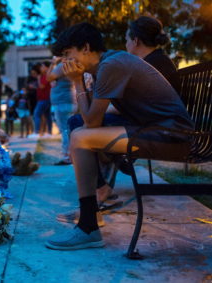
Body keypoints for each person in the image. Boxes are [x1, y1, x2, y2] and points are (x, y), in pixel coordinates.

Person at [45, 22, 193, 250]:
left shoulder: (111, 65)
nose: (65, 61)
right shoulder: (104, 66)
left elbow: (92, 123)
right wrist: (79, 80)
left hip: (173, 135)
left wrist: (76, 81)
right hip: (153, 127)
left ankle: (88, 225)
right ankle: (93, 210)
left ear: (85, 48)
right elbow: (86, 119)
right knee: (77, 129)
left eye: (68, 54)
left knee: (80, 137)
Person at [126, 16, 180, 93]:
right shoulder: (159, 59)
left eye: (127, 40)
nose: (126, 44)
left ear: (135, 41)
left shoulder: (151, 66)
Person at [46, 56, 74, 165]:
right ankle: (70, 155)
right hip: (68, 101)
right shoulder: (71, 65)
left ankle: (66, 156)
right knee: (68, 130)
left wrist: (53, 63)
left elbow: (48, 77)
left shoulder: (63, 66)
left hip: (63, 102)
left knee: (65, 130)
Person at [28, 61, 52, 138]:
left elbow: (42, 86)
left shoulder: (44, 76)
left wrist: (38, 79)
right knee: (47, 115)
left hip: (44, 99)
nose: (41, 68)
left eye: (42, 66)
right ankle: (49, 132)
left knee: (36, 114)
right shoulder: (43, 76)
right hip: (44, 98)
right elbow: (40, 87)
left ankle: (37, 132)